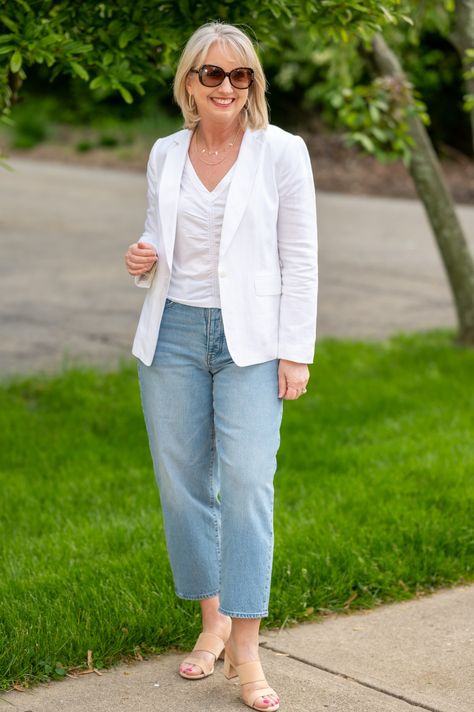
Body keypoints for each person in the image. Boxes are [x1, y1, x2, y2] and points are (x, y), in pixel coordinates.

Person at [125, 21, 318, 712]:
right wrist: (142, 253)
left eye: (241, 76)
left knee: (245, 485)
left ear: (254, 85)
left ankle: (246, 646)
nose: (228, 87)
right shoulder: (166, 152)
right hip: (172, 330)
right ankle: (210, 624)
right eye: (213, 74)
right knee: (184, 488)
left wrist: (297, 350)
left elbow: (301, 255)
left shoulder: (282, 154)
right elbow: (160, 226)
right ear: (190, 83)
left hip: (254, 342)